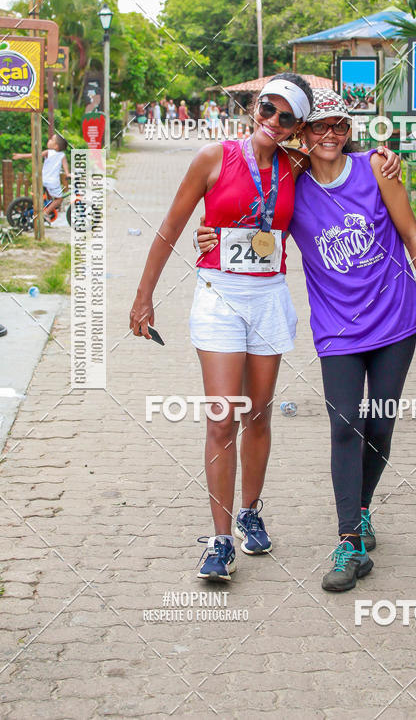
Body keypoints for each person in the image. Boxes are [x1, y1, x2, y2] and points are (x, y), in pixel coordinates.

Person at [129, 73, 401, 583]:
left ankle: (251, 510)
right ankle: (220, 539)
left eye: (287, 116)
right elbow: (171, 227)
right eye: (268, 108)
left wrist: (386, 156)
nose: (274, 121)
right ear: (256, 106)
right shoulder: (213, 157)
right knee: (220, 419)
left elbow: (342, 159)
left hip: (270, 300)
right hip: (219, 298)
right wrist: (144, 296)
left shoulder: (295, 164)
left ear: (298, 127)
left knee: (257, 416)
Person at [195, 89, 416, 592]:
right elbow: (251, 214)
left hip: (396, 321)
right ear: (303, 134)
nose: (330, 134)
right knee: (344, 426)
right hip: (337, 329)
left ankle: (361, 508)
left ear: (350, 131)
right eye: (318, 126)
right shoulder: (292, 178)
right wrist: (209, 235)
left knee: (379, 425)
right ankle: (349, 542)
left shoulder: (377, 169)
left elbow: (413, 236)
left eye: (339, 125)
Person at [13, 133, 71, 219]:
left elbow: (34, 156)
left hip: (42, 179)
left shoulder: (48, 152)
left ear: (55, 146)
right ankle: (46, 213)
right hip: (52, 182)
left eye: (51, 140)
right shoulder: (62, 155)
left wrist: (21, 156)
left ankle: (44, 208)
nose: (49, 140)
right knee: (59, 199)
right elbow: (65, 166)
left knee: (48, 197)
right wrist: (68, 174)